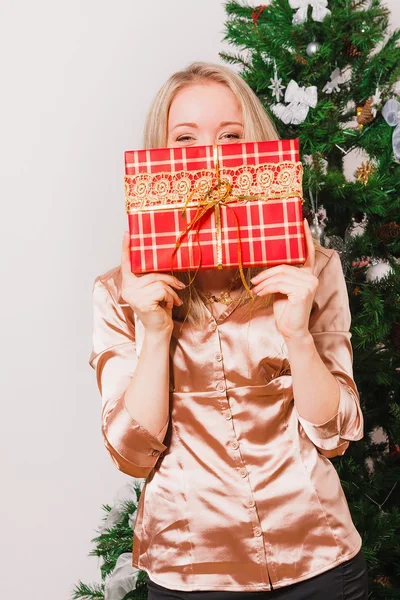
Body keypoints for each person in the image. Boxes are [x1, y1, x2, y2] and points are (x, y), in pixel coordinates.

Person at [89, 62, 368, 599]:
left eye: (231, 137)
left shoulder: (314, 270)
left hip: (321, 562)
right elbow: (132, 453)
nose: (209, 158)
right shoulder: (117, 292)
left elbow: (335, 436)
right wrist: (152, 332)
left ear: (256, 147)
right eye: (186, 139)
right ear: (162, 158)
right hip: (191, 572)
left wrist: (298, 335)